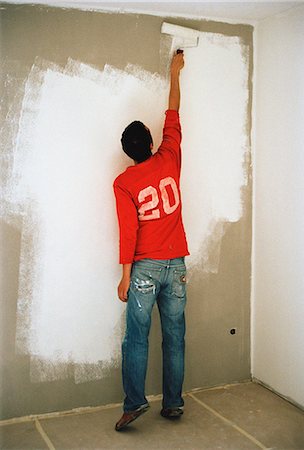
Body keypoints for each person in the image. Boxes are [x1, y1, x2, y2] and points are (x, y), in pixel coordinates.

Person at [113, 51, 189, 431]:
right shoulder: (170, 155)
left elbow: (129, 232)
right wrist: (174, 73)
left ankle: (134, 403)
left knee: (136, 339)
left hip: (144, 267)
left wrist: (126, 276)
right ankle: (173, 403)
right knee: (175, 337)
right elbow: (172, 112)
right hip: (177, 266)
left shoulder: (124, 182)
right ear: (151, 142)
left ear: (128, 152)